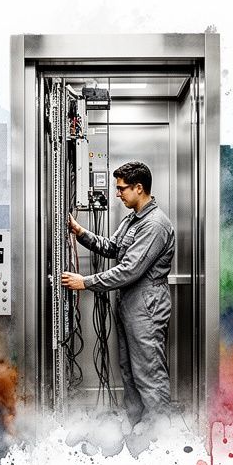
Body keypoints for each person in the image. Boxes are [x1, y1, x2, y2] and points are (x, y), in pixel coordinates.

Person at [61, 161, 175, 427]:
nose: (117, 193)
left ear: (139, 187)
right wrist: (80, 233)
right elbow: (114, 247)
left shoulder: (155, 225)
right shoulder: (133, 219)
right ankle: (138, 428)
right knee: (130, 371)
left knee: (149, 373)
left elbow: (129, 270)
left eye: (122, 188)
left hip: (147, 306)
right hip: (130, 304)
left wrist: (85, 282)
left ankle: (161, 436)